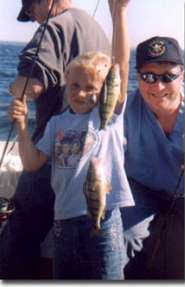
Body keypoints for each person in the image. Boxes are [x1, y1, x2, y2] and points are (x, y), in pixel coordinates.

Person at [9, 0, 133, 279]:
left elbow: (120, 69)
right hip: (64, 222)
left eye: (92, 88)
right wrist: (21, 125)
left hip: (102, 218)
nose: (81, 93)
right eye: (74, 85)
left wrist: (120, 13)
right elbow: (31, 161)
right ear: (66, 81)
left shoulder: (106, 119)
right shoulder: (57, 124)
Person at [121, 36, 185, 279]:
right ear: (137, 77)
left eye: (168, 76)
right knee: (120, 237)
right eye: (149, 76)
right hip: (140, 190)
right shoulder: (125, 108)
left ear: (183, 75)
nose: (158, 87)